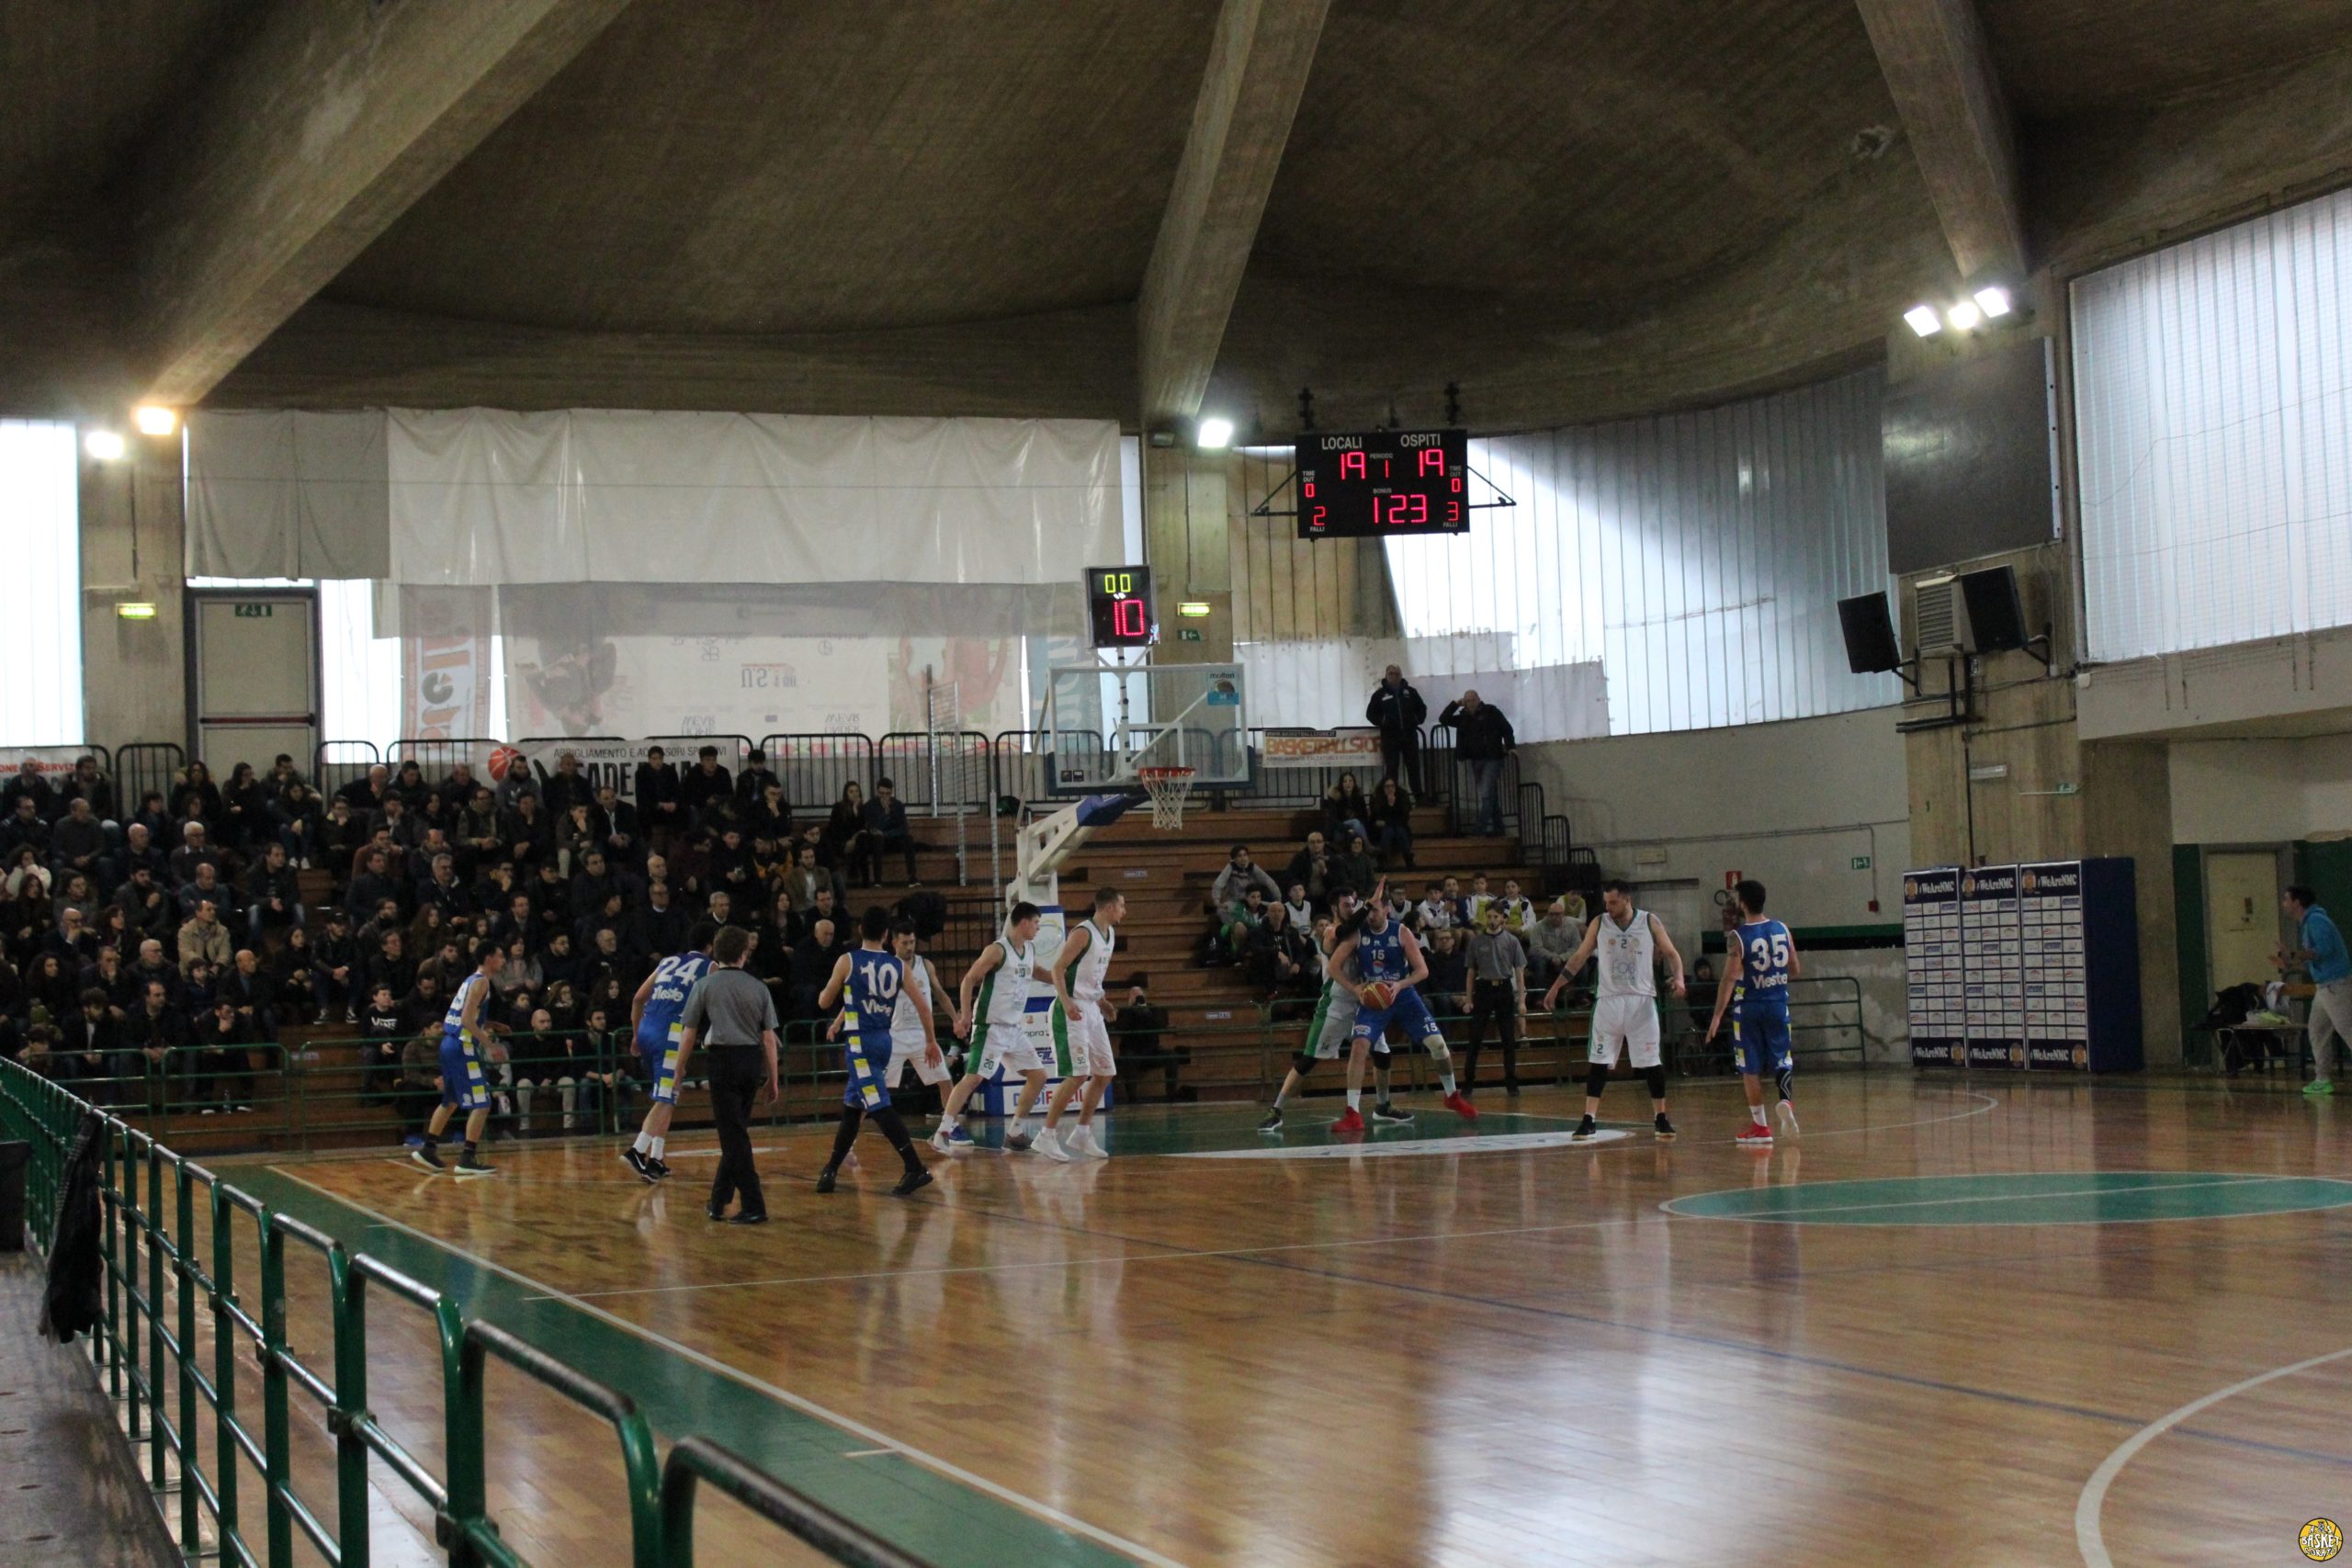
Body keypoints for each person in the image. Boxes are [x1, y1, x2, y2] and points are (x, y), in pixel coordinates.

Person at [1259, 886, 1412, 1131]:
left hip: (1365, 1003)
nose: (1350, 909)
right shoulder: (1331, 932)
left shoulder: (1363, 931)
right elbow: (1344, 930)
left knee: (1383, 1053)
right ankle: (1276, 1110)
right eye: (1345, 905)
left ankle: (1383, 1105)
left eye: (1353, 904)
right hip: (1336, 1004)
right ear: (1334, 908)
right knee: (1309, 1059)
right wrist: (1366, 907)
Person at [1544, 879, 1684, 1142]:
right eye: (1606, 902)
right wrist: (1556, 986)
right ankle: (1589, 1119)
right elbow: (1579, 957)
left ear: (1627, 899)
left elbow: (1672, 953)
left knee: (1652, 1062)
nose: (1608, 907)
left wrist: (1679, 978)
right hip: (1609, 1001)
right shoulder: (1599, 923)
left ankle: (1661, 1118)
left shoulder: (1649, 921)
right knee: (1599, 1062)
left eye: (1613, 902)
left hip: (1642, 1000)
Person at [1326, 892, 1478, 1132]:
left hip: (1403, 995)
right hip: (1373, 997)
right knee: (1358, 1047)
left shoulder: (1401, 932)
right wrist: (1354, 989)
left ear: (1387, 910)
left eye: (1375, 910)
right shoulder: (1359, 933)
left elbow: (1422, 970)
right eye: (1368, 910)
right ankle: (1352, 1112)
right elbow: (1333, 967)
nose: (1371, 915)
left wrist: (1400, 984)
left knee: (1438, 1045)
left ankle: (1452, 1095)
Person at [812, 906, 933, 1195]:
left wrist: (834, 994)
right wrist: (931, 1040)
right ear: (887, 935)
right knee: (853, 1108)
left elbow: (824, 1001)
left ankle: (915, 1166)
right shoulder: (898, 966)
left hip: (860, 1043)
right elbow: (923, 1007)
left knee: (879, 1106)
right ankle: (830, 1169)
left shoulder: (847, 960)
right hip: (884, 1040)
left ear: (860, 930)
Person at [677, 924, 783, 1223]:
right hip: (750, 1062)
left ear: (716, 951)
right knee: (735, 1132)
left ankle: (754, 1206)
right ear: (744, 954)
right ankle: (718, 1201)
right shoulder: (759, 987)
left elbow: (689, 1033)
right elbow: (769, 1039)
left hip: (722, 1062)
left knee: (733, 1137)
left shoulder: (705, 985)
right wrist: (773, 1078)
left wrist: (679, 1068)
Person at [932, 901, 1049, 1153]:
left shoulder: (1029, 949)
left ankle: (1015, 1133)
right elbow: (969, 980)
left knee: (1039, 1076)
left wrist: (1062, 977)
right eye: (1036, 923)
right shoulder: (997, 950)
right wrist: (965, 1015)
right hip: (991, 1027)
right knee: (974, 1077)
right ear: (1024, 922)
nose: (1038, 929)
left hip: (1013, 1028)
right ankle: (943, 1131)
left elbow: (1037, 971)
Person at [619, 921, 718, 1182]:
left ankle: (656, 1158)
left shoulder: (667, 961)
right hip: (671, 1032)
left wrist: (636, 1035)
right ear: (711, 946)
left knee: (670, 1094)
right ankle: (637, 1150)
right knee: (665, 1097)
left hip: (647, 1026)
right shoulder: (710, 966)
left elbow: (638, 998)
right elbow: (716, 1004)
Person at [1707, 879, 1799, 1145]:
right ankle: (1786, 1101)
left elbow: (1729, 978)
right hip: (1777, 1003)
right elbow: (1795, 968)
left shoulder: (1737, 937)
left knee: (1750, 1068)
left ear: (1743, 904)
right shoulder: (1782, 929)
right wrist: (1773, 977)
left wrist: (1717, 1015)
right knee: (1783, 1058)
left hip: (1748, 1006)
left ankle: (1761, 1127)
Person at [1037, 888, 1125, 1161]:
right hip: (1071, 1008)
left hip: (1091, 1008)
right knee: (1077, 1075)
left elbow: (1091, 977)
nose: (1124, 911)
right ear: (1109, 907)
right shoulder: (1083, 933)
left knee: (1105, 1073)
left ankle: (1082, 1133)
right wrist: (1066, 1003)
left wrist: (1102, 1001)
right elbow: (1058, 969)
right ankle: (1046, 1135)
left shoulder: (1110, 935)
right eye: (1121, 906)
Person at [410, 941, 503, 1177]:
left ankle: (428, 1149)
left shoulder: (471, 979)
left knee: (450, 1100)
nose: (503, 960)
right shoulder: (482, 982)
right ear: (489, 959)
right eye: (500, 956)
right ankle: (467, 1158)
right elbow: (467, 1020)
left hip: (449, 1044)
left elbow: (467, 1015)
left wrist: (492, 1024)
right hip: (463, 1047)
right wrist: (491, 1045)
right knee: (482, 1103)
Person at [2278, 885, 2352, 1096]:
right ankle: (2322, 1079)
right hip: (2324, 987)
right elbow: (2315, 960)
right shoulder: (2308, 923)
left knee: (2348, 1031)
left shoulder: (2317, 921)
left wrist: (2295, 954)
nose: (2284, 904)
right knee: (2317, 1030)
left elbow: (2323, 950)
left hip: (2335, 985)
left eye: (2286, 899)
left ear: (2297, 902)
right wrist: (2290, 963)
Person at [880, 922, 951, 1113]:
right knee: (877, 1087)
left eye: (912, 942)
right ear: (894, 943)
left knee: (945, 1080)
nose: (910, 947)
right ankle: (855, 1127)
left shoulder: (925, 965)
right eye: (905, 943)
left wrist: (956, 1019)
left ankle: (950, 1125)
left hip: (922, 1036)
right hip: (894, 1036)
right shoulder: (887, 968)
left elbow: (940, 994)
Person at [1460, 903, 1529, 1099]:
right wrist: (1468, 998)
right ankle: (1468, 1082)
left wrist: (1521, 1000)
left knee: (1508, 1038)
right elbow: (1471, 972)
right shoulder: (1476, 941)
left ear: (1502, 918)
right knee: (1475, 1037)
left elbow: (1519, 972)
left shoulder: (1512, 941)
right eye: (1489, 916)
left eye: (1495, 916)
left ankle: (1511, 1082)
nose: (1491, 920)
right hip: (1483, 989)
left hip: (1504, 988)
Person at [1439, 688, 1517, 836]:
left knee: (1486, 795)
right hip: (1476, 760)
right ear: (1465, 703)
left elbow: (1506, 729)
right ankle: (1499, 829)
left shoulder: (1491, 712)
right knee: (1491, 795)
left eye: (1473, 700)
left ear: (1479, 699)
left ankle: (1478, 830)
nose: (1471, 703)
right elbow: (1444, 719)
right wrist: (1455, 704)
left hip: (1493, 758)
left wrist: (1510, 746)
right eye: (1468, 701)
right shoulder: (1463, 718)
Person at [1114, 976, 1182, 1101]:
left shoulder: (1154, 1009)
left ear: (1144, 996)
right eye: (1134, 995)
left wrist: (1146, 1011)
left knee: (1171, 1056)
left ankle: (1171, 1095)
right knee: (1128, 1059)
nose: (1137, 998)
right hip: (1131, 1051)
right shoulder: (1124, 1011)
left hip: (1152, 1051)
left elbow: (1160, 1025)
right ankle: (1132, 1098)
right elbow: (1120, 1028)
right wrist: (1130, 1009)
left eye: (1139, 995)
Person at [1365, 665, 1428, 794]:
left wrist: (1416, 719)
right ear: (1386, 675)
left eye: (1397, 674)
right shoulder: (1379, 694)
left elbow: (1422, 708)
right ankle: (1392, 798)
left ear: (1401, 676)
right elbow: (1370, 714)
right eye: (1391, 674)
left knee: (1414, 769)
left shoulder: (1411, 692)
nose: (1394, 676)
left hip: (1410, 737)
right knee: (1392, 770)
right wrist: (1383, 721)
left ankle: (1419, 798)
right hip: (1390, 739)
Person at [861, 776, 920, 886]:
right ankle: (878, 880)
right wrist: (885, 815)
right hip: (876, 843)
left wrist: (885, 834)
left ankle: (912, 877)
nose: (884, 796)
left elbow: (903, 828)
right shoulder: (870, 806)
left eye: (887, 793)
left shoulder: (898, 805)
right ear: (877, 792)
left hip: (892, 840)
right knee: (877, 839)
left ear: (891, 793)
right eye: (882, 793)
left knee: (908, 839)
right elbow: (874, 829)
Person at [1528, 898, 1584, 991]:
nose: (1554, 917)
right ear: (1547, 914)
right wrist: (1553, 957)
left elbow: (1576, 946)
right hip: (1545, 958)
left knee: (1582, 962)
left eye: (1557, 914)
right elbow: (1536, 948)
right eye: (1551, 914)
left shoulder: (1572, 927)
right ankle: (1541, 996)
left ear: (1563, 914)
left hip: (1564, 958)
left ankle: (1581, 996)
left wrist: (1562, 957)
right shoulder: (1539, 926)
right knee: (1539, 962)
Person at [1366, 775, 1415, 869]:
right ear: (1383, 788)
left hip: (1399, 827)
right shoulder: (1377, 799)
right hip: (1380, 830)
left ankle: (1408, 859)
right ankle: (1384, 860)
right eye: (1387, 786)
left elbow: (1404, 818)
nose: (1390, 789)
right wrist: (1389, 805)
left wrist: (1388, 820)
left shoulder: (1401, 798)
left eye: (1392, 786)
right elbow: (1375, 819)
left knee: (1398, 830)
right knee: (1389, 831)